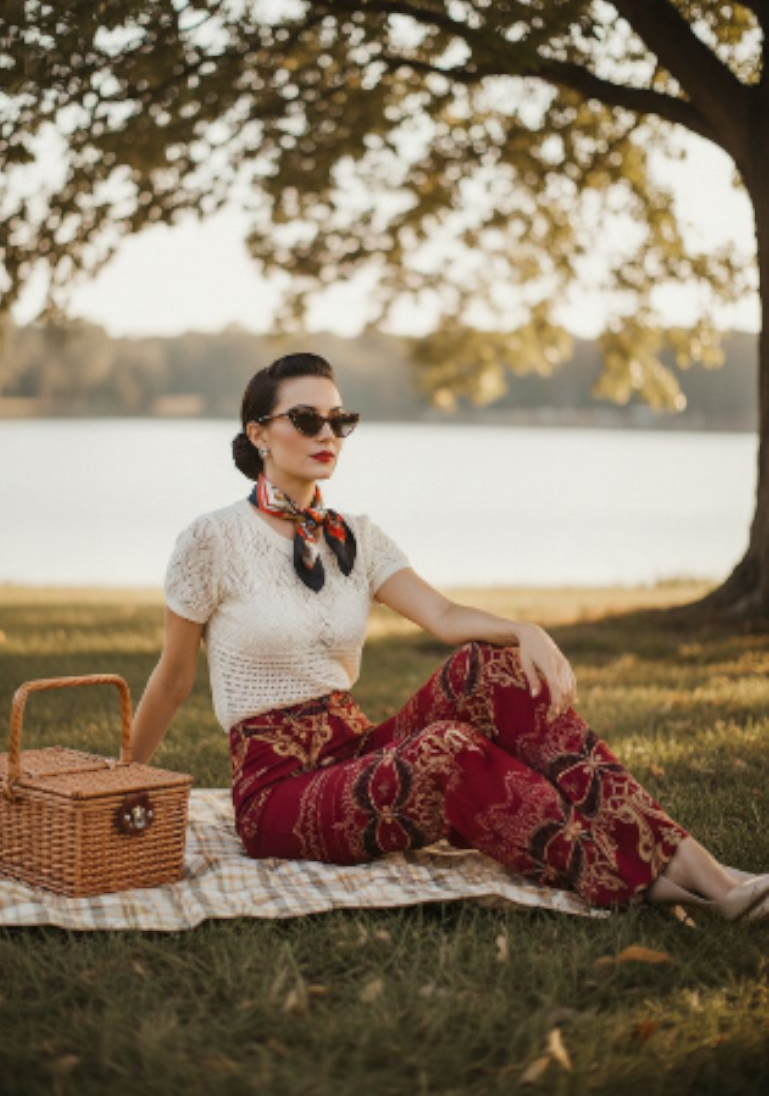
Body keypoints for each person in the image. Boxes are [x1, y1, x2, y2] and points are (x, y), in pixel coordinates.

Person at [131, 352, 769, 920]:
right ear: (258, 434)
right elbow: (174, 675)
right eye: (306, 419)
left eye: (340, 420)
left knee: (488, 668)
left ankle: (697, 867)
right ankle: (643, 880)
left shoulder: (357, 535)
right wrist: (123, 774)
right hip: (276, 793)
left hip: (350, 750)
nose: (328, 434)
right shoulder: (210, 540)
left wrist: (523, 630)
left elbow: (441, 616)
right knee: (445, 750)